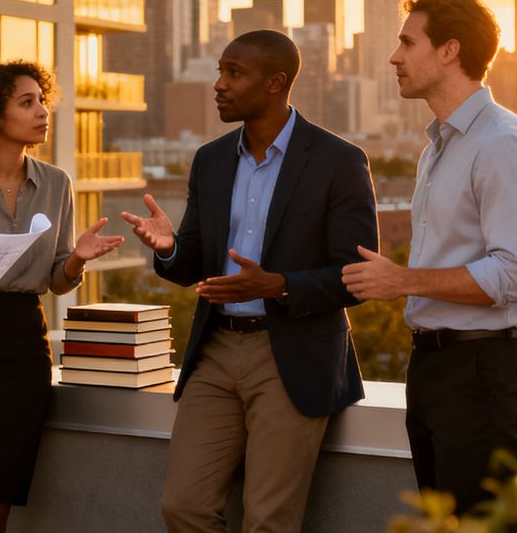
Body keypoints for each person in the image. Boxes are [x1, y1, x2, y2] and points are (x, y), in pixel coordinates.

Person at [121, 30, 378, 533]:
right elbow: (196, 260)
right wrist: (170, 247)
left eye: (233, 73)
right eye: (220, 70)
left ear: (275, 83)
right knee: (183, 506)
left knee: (268, 521)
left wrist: (277, 285)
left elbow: (357, 277)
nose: (218, 84)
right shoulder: (211, 160)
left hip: (292, 354)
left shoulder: (339, 162)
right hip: (215, 351)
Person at [343, 0, 517, 515]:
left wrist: (402, 281)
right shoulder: (440, 146)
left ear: (449, 51)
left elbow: (516, 275)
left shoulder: (502, 143)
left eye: (407, 42)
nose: (394, 57)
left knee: (474, 524)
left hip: (484, 368)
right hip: (436, 365)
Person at [0, 61, 123, 533]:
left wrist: (77, 259)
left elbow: (56, 280)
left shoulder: (57, 183)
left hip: (23, 349)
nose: (42, 111)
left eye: (42, 101)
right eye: (27, 102)